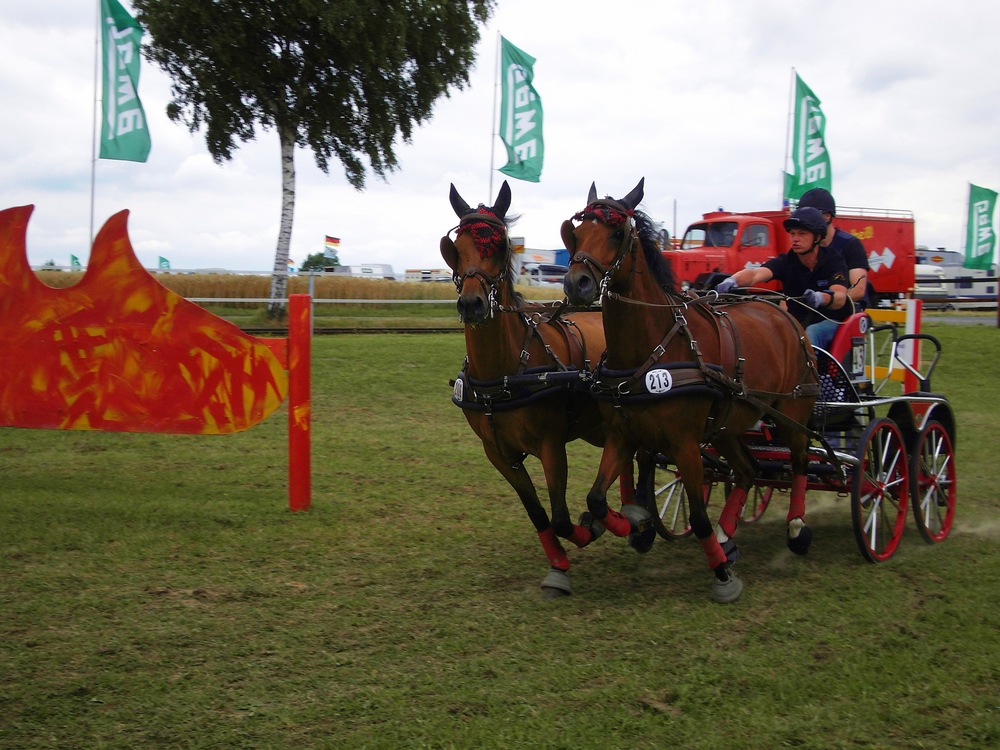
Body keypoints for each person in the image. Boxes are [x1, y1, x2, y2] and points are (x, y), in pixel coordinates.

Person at [715, 206, 851, 350]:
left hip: (832, 320)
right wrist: (733, 280)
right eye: (792, 234)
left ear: (817, 237)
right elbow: (755, 274)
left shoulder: (834, 260)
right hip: (797, 322)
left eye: (802, 233)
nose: (795, 239)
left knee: (812, 332)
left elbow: (840, 297)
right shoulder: (786, 261)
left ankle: (811, 372)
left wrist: (821, 298)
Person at [798, 187, 871, 309]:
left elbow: (858, 290)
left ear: (827, 216)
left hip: (841, 313)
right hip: (811, 311)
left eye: (811, 216)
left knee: (813, 329)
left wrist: (826, 301)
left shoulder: (850, 245)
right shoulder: (806, 248)